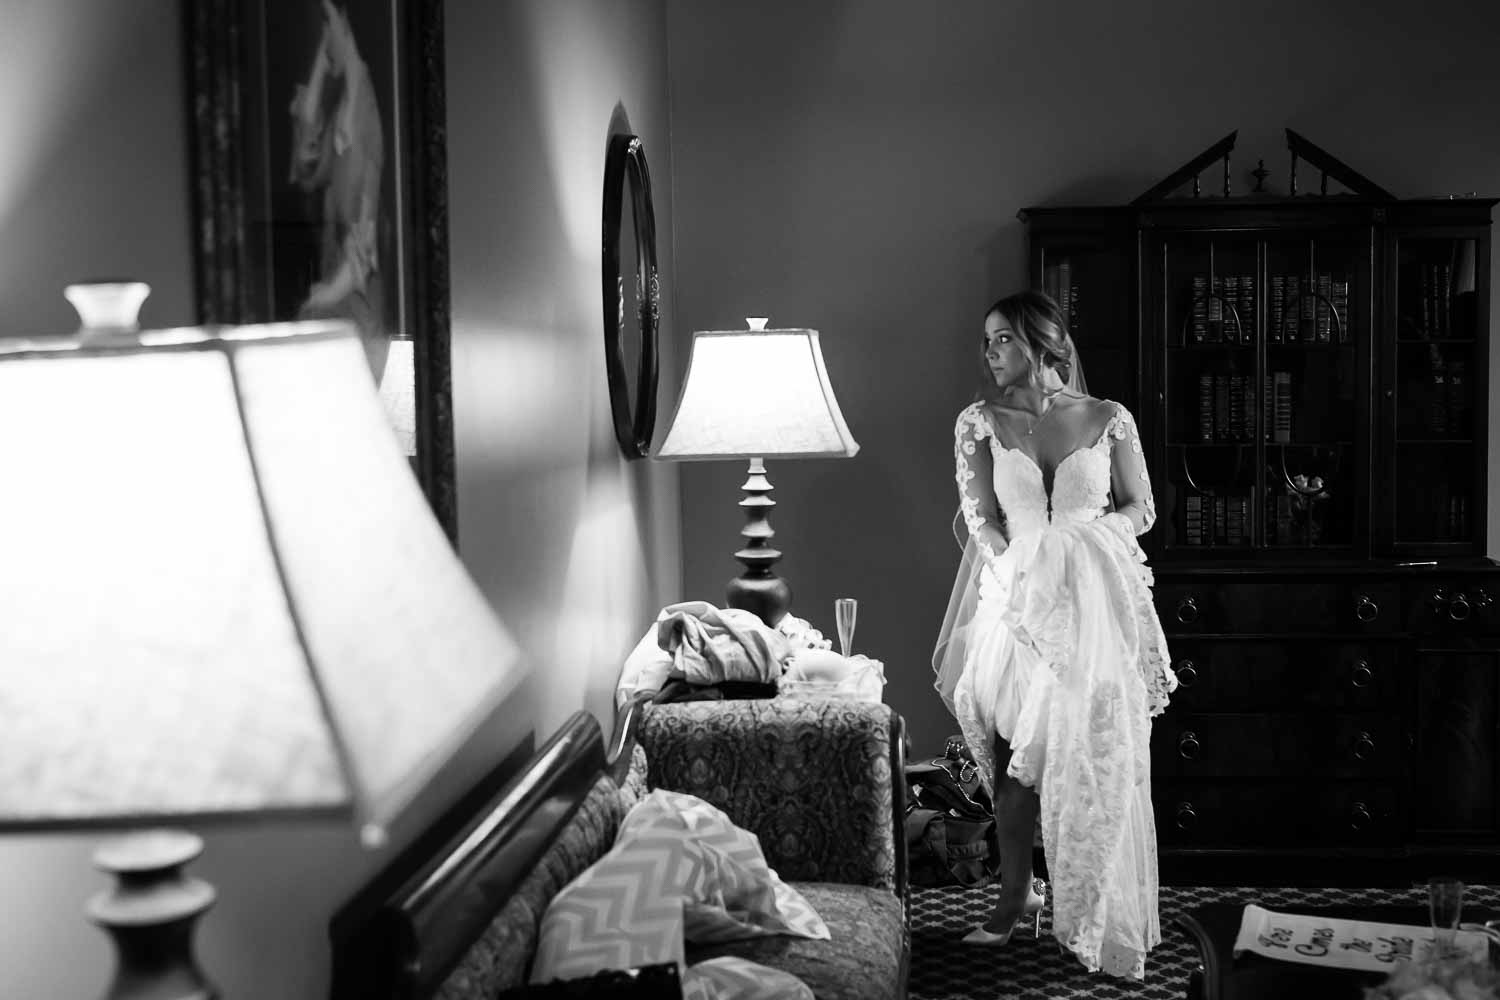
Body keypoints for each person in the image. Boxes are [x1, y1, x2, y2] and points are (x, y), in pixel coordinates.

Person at [931, 289, 1177, 979]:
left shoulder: (1107, 418)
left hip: (1092, 611)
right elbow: (979, 515)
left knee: (1090, 755)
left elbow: (1142, 507)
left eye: (1002, 340)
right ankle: (1014, 898)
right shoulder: (977, 423)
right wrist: (1022, 564)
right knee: (1016, 760)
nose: (990, 354)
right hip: (1015, 604)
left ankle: (1092, 902)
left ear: (1043, 343)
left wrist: (1088, 544)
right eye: (986, 342)